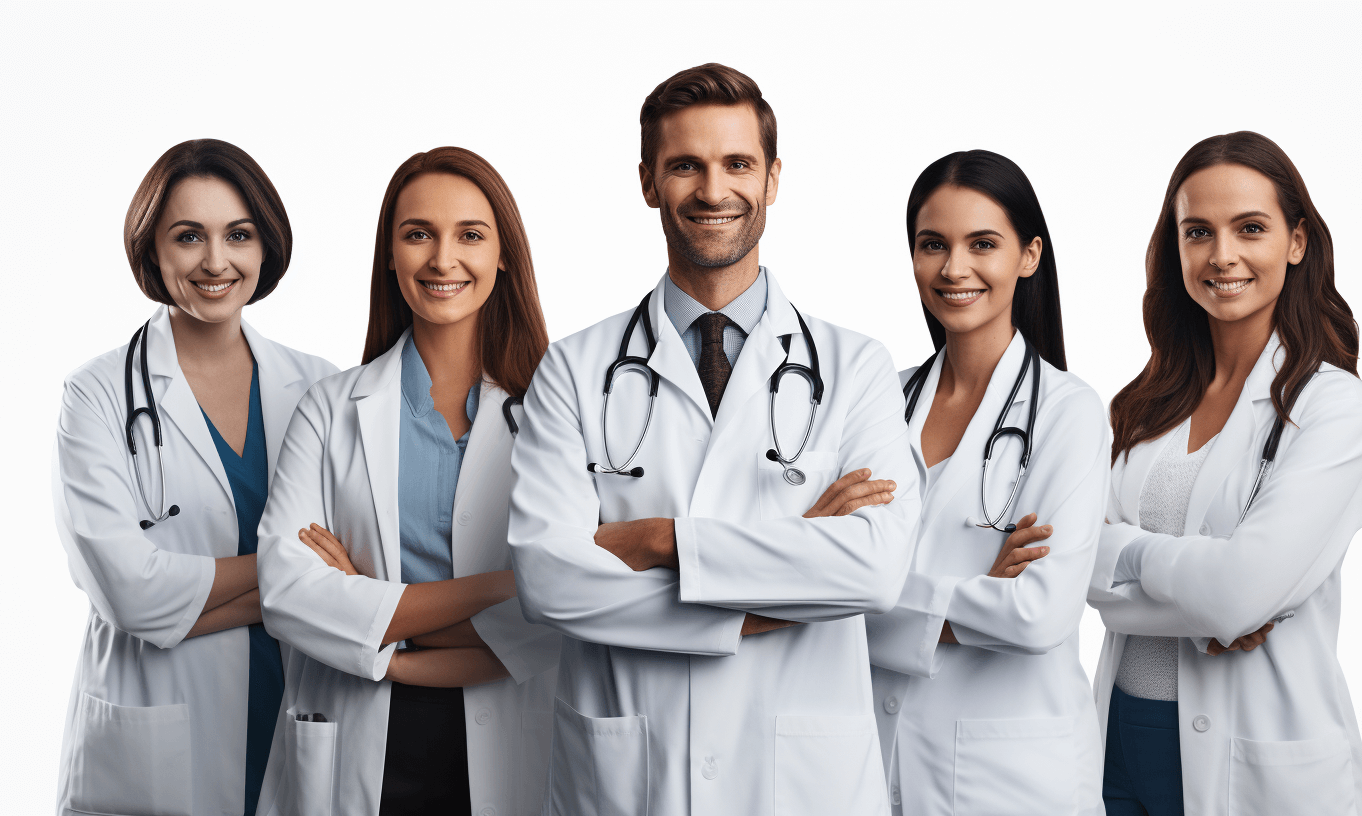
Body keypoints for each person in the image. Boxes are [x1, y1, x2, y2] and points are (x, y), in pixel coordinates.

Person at [507, 63, 921, 816]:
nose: (712, 190)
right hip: (633, 779)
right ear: (647, 182)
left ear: (772, 180)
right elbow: (548, 578)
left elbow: (875, 570)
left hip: (800, 784)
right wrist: (781, 581)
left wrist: (660, 541)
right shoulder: (575, 367)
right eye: (685, 166)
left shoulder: (854, 366)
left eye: (737, 164)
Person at [255, 147, 560, 816]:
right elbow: (286, 593)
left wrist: (374, 629)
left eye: (470, 235)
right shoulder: (330, 409)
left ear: (503, 255)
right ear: (390, 256)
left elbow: (564, 620)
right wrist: (511, 584)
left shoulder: (556, 416)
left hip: (511, 741)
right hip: (358, 750)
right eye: (418, 233)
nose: (442, 259)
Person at [1089, 131, 1362, 816]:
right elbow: (1073, 569)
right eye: (1198, 232)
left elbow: (1236, 597)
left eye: (1250, 228)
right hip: (1118, 746)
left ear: (1297, 241)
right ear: (1177, 249)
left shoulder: (1332, 408)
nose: (1223, 255)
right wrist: (1199, 586)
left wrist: (1125, 555)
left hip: (1259, 761)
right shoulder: (1146, 405)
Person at [52, 139, 337, 816]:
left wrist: (190, 601)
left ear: (265, 246)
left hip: (295, 717)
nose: (216, 261)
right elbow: (129, 595)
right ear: (153, 250)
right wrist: (297, 581)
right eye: (189, 237)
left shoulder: (321, 387)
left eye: (238, 235)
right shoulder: (95, 396)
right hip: (156, 741)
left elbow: (363, 576)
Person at [867, 150, 1110, 815]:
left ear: (1029, 255)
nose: (953, 268)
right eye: (932, 245)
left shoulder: (1069, 413)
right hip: (879, 763)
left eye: (983, 244)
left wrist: (870, 596)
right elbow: (818, 592)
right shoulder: (879, 405)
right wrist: (974, 596)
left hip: (1014, 783)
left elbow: (1038, 613)